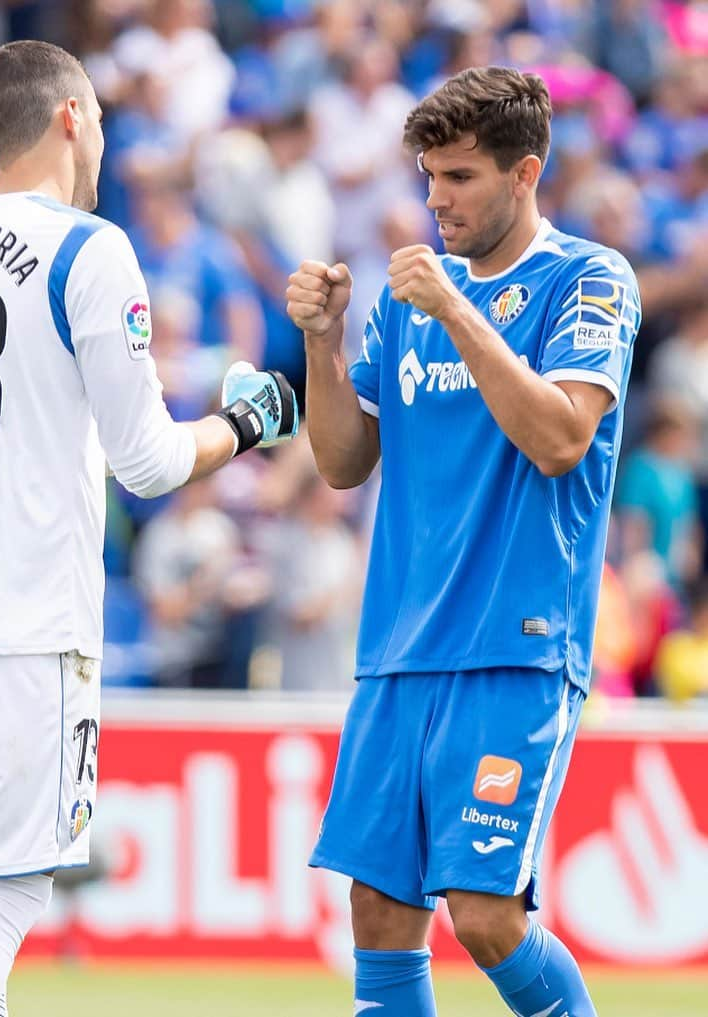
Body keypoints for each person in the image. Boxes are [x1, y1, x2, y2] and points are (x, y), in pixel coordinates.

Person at [0, 40, 297, 1017]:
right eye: (99, 116)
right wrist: (244, 423)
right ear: (70, 116)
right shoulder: (86, 247)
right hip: (24, 619)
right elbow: (146, 462)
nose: (102, 134)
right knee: (6, 897)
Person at [287, 66, 641, 1017]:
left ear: (525, 175)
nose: (435, 199)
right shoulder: (408, 301)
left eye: (460, 178)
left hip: (515, 647)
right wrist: (323, 345)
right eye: (428, 177)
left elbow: (563, 439)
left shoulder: (588, 280)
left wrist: (459, 309)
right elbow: (342, 459)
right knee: (379, 908)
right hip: (400, 650)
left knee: (486, 914)